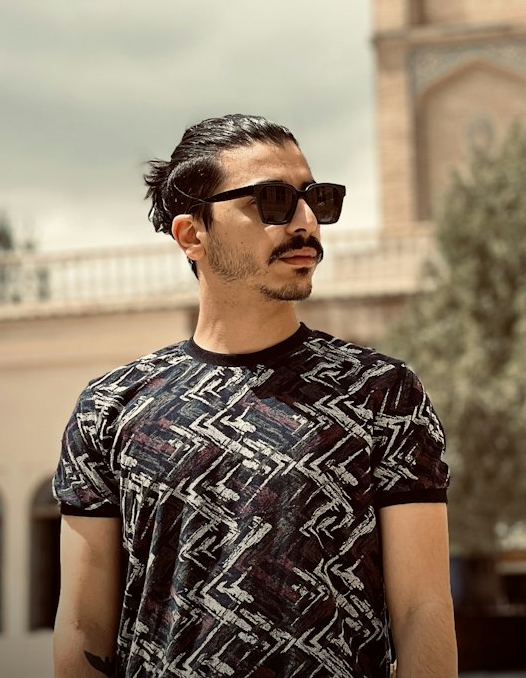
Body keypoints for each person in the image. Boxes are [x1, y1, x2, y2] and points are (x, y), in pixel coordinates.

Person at [52, 113, 457, 677]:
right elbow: (82, 625)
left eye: (317, 199)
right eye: (272, 200)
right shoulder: (111, 407)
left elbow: (423, 608)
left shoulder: (381, 395)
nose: (306, 221)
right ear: (193, 234)